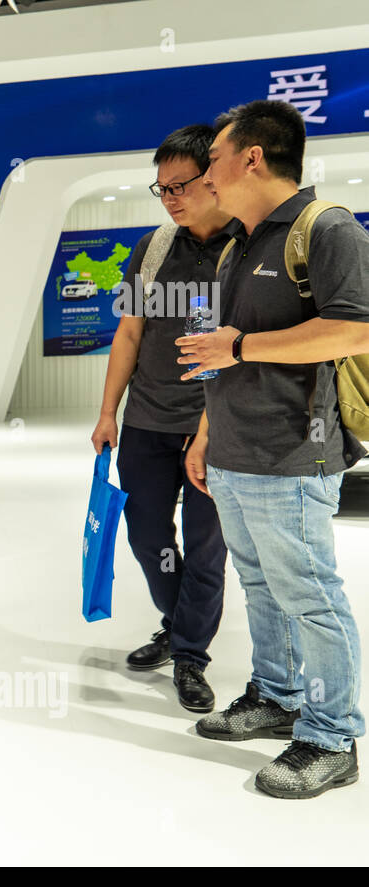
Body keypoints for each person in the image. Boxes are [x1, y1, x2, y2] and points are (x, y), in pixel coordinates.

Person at [180, 99, 369, 799]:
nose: (208, 175)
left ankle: (329, 733)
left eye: (215, 160)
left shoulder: (328, 230)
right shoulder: (239, 243)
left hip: (295, 454)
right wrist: (205, 433)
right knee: (262, 587)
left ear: (252, 156)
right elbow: (221, 356)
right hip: (233, 452)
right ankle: (279, 694)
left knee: (309, 595)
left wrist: (239, 346)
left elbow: (355, 331)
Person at [91, 125, 233, 712]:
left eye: (182, 184)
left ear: (214, 178)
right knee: (148, 537)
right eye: (162, 187)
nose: (171, 196)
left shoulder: (244, 251)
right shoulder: (152, 249)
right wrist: (108, 412)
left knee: (205, 547)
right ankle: (177, 626)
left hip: (219, 427)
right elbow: (129, 333)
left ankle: (192, 656)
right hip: (148, 422)